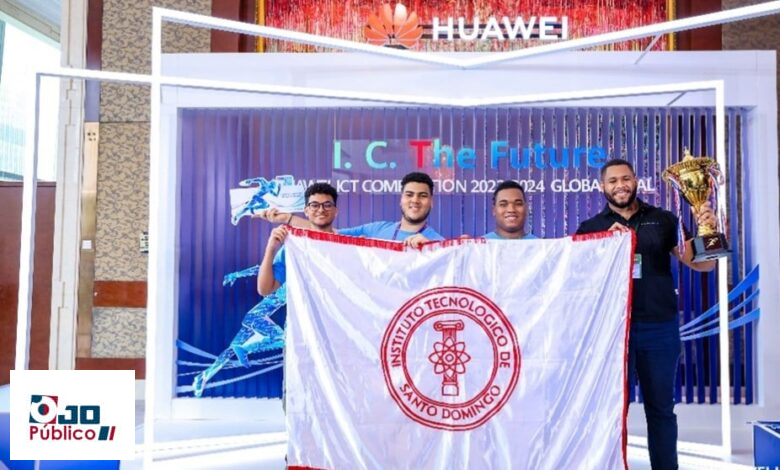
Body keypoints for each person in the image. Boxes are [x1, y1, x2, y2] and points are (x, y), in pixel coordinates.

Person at [575, 158, 716, 470]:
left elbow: (704, 264)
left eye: (625, 179)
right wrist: (603, 247)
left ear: (636, 181)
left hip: (660, 330)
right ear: (602, 186)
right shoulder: (590, 229)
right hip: (613, 333)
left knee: (661, 410)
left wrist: (710, 229)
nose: (620, 186)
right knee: (611, 412)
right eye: (613, 181)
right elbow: (578, 280)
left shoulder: (664, 220)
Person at [259, 172, 444, 246]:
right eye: (409, 194)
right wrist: (287, 218)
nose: (415, 200)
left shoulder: (439, 244)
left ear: (432, 202)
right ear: (401, 199)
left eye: (422, 195)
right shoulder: (376, 229)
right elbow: (327, 234)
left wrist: (432, 250)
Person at [257, 182, 339, 295]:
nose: (321, 210)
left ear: (336, 211)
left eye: (327, 205)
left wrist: (288, 218)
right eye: (314, 205)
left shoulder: (350, 240)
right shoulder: (294, 245)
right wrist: (270, 248)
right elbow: (264, 290)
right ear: (306, 211)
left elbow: (325, 235)